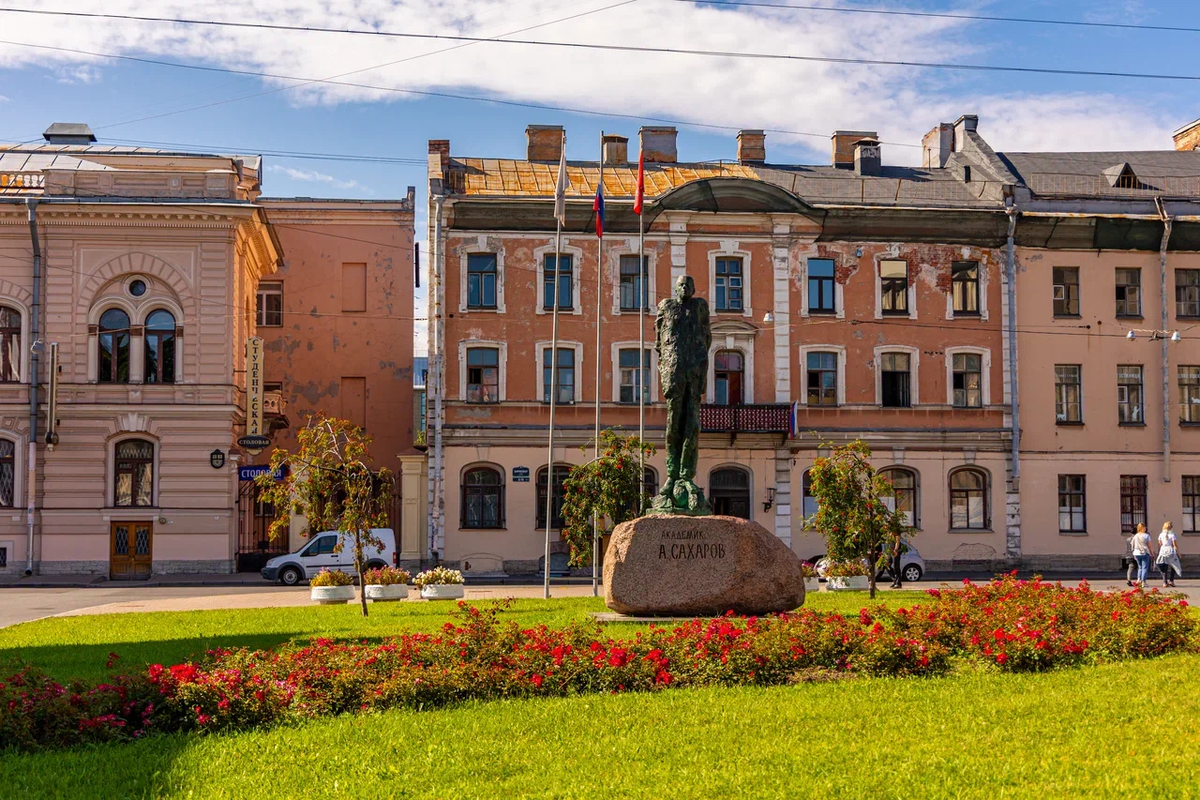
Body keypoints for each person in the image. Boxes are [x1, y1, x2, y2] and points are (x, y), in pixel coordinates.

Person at [1156, 522, 1182, 588]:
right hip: (1170, 550)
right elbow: (1175, 545)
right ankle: (1171, 581)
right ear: (1171, 527)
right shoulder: (1172, 534)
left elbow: (1159, 544)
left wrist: (1158, 552)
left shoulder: (1161, 535)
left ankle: (1164, 582)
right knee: (1174, 565)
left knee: (1164, 566)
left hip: (1163, 550)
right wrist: (1178, 553)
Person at [1130, 523, 1152, 588]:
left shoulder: (1135, 536)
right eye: (1145, 527)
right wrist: (1152, 553)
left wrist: (1133, 552)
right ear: (1142, 528)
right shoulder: (1146, 536)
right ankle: (1143, 582)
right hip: (1144, 552)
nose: (1145, 529)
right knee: (1144, 567)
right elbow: (1150, 546)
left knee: (1140, 567)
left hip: (1136, 553)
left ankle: (1138, 579)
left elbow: (1132, 544)